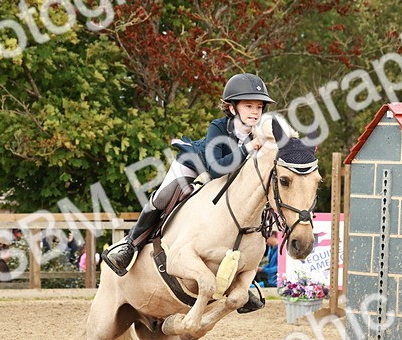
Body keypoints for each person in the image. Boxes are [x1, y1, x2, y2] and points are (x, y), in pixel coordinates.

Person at [102, 72, 277, 277]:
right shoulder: (218, 127)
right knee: (163, 197)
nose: (255, 112)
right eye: (249, 106)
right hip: (194, 164)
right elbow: (215, 169)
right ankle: (130, 245)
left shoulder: (261, 133)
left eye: (259, 107)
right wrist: (249, 147)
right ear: (232, 107)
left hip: (225, 179)